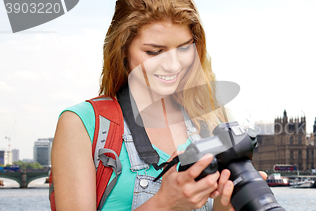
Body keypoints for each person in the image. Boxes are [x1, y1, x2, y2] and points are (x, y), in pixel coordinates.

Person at [51, 0, 264, 210]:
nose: (172, 65)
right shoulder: (82, 124)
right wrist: (165, 204)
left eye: (184, 47)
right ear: (123, 49)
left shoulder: (213, 119)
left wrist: (225, 204)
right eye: (155, 52)